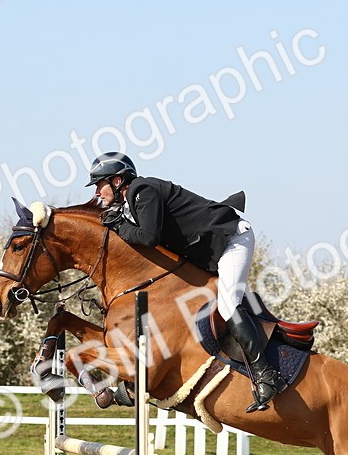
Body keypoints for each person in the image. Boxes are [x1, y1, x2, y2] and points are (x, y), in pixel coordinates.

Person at [86, 152, 287, 412]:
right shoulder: (132, 199)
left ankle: (267, 376)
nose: (98, 193)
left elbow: (148, 236)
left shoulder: (141, 190)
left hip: (232, 240)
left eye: (99, 185)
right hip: (210, 251)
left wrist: (121, 227)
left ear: (116, 181)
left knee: (227, 306)